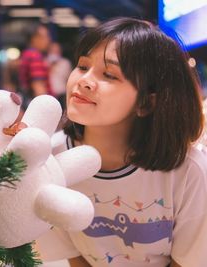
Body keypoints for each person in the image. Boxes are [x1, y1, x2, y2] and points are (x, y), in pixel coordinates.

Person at [35, 17, 207, 267]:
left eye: (109, 74)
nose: (84, 80)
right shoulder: (51, 158)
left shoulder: (188, 170)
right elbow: (74, 256)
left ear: (146, 102)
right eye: (83, 66)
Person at [18, 23, 53, 110]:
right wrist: (47, 109)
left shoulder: (26, 54)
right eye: (45, 37)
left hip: (27, 102)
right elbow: (38, 85)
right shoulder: (35, 56)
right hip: (36, 106)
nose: (48, 40)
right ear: (34, 39)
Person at [47, 42, 72, 110]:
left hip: (62, 92)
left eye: (57, 50)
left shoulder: (65, 63)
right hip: (48, 93)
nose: (55, 52)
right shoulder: (44, 62)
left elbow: (68, 78)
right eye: (53, 50)